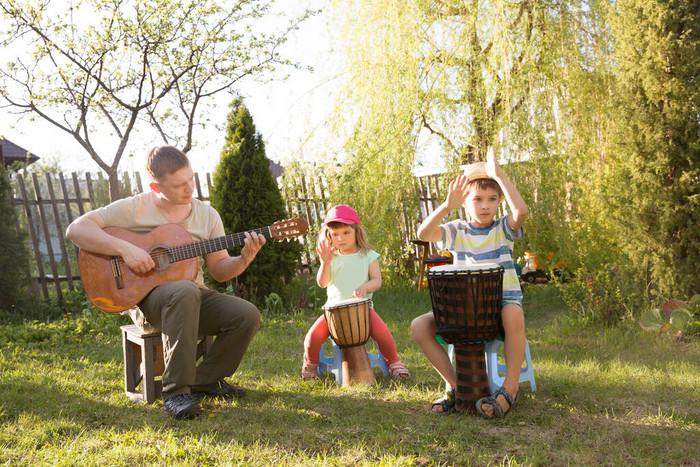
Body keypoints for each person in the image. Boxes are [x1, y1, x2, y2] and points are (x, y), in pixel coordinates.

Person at [66, 145, 265, 420]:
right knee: (183, 290)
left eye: (191, 179)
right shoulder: (134, 208)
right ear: (155, 186)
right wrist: (126, 250)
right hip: (147, 302)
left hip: (194, 297)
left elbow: (219, 270)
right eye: (179, 184)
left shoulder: (207, 215)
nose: (189, 189)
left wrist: (244, 259)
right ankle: (175, 393)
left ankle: (203, 382)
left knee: (246, 315)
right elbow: (76, 229)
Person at [411, 146, 529, 418]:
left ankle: (509, 389)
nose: (485, 205)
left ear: (499, 201)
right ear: (465, 203)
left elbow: (521, 211)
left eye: (491, 198)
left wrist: (499, 175)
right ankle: (456, 385)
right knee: (419, 326)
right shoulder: (456, 230)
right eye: (477, 199)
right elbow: (424, 233)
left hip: (500, 306)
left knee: (513, 314)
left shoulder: (503, 228)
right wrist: (446, 206)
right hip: (464, 310)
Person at [301, 205, 410, 381]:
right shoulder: (332, 257)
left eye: (346, 233)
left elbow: (377, 280)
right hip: (333, 314)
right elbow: (322, 283)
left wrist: (365, 288)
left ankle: (395, 364)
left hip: (363, 311)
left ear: (356, 231)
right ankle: (311, 365)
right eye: (335, 234)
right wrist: (325, 263)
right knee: (312, 337)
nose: (340, 238)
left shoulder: (368, 255)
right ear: (329, 235)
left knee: (384, 334)